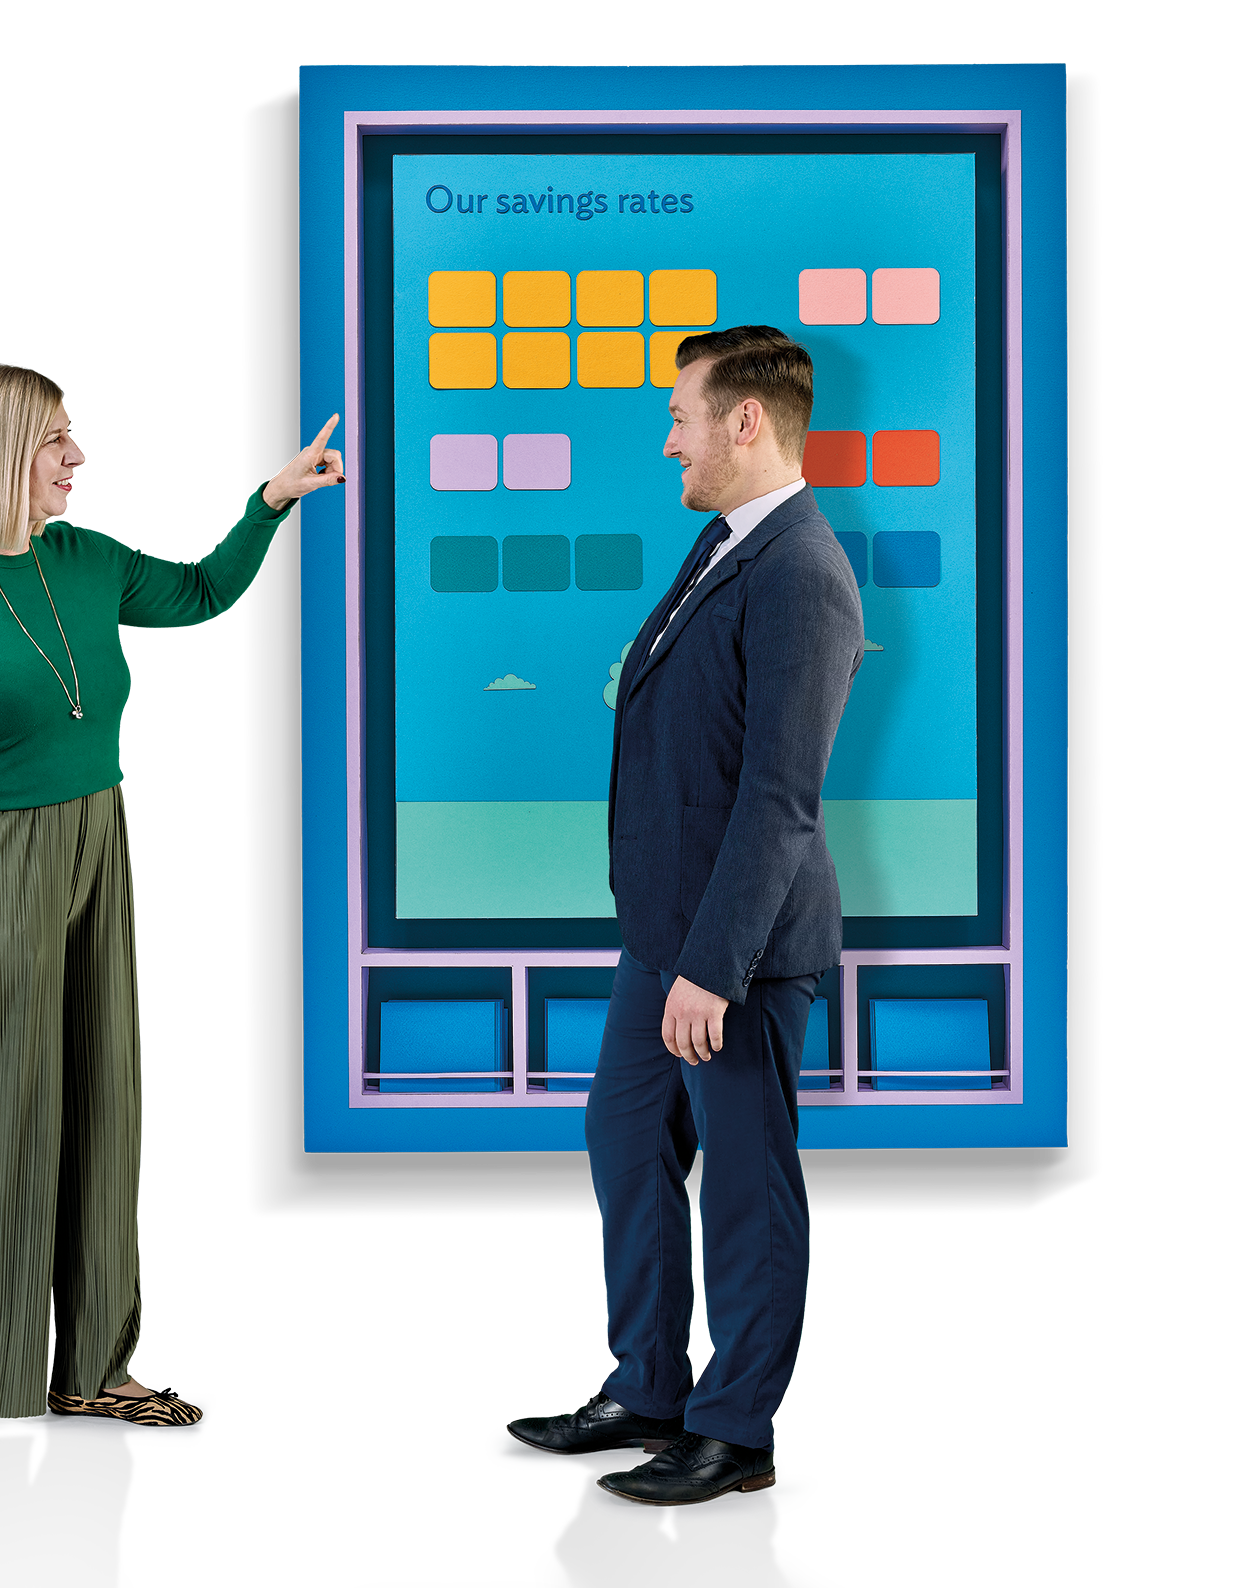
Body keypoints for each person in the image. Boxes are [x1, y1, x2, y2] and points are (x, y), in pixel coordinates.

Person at [0, 363, 343, 1444]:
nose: (78, 459)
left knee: (99, 1102)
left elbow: (201, 596)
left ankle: (89, 1364)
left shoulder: (81, 556)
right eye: (56, 441)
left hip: (96, 843)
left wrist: (269, 503)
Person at [506, 326, 865, 1505]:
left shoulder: (802, 572)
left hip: (736, 954)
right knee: (625, 1140)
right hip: (661, 937)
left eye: (679, 416)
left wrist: (711, 966)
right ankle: (649, 1385)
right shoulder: (721, 542)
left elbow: (778, 796)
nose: (667, 438)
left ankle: (733, 1427)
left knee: (749, 1181)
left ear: (743, 422)